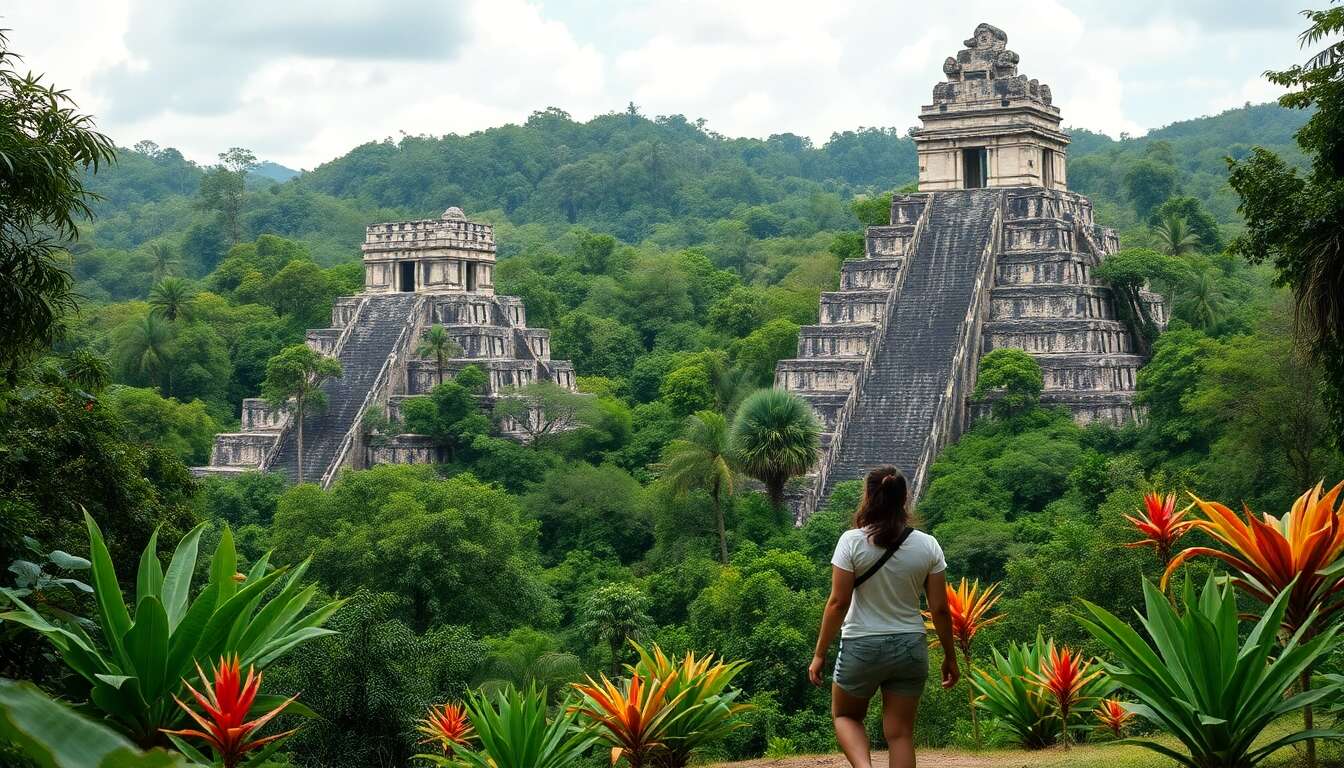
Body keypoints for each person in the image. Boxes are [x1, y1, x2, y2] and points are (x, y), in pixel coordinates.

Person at [808, 466, 957, 768]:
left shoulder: (851, 541)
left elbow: (838, 602)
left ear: (868, 497)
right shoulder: (927, 545)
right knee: (900, 734)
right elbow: (940, 609)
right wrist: (949, 656)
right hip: (910, 646)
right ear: (905, 498)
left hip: (862, 644)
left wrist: (819, 654)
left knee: (846, 715)